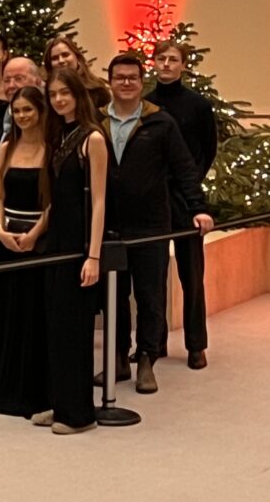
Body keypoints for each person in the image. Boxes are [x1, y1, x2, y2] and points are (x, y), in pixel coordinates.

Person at [100, 53, 209, 394]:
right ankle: (118, 358)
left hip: (151, 225)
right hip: (110, 226)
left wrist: (198, 207)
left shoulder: (160, 122)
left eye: (132, 77)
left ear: (140, 80)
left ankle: (147, 358)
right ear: (110, 82)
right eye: (120, 77)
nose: (126, 83)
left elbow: (185, 168)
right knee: (114, 297)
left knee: (150, 296)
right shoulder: (96, 122)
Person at [33, 69, 107, 434]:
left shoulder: (93, 138)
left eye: (65, 93)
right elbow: (55, 199)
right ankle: (60, 401)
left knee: (75, 329)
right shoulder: (59, 135)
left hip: (79, 247)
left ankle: (79, 414)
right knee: (55, 326)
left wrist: (93, 255)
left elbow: (100, 201)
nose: (59, 99)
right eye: (53, 94)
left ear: (78, 94)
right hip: (56, 243)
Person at [145, 40, 218, 369]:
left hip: (187, 199)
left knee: (192, 274)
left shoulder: (198, 105)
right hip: (155, 198)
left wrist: (192, 186)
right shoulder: (146, 104)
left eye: (173, 59)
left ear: (183, 65)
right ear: (154, 62)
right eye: (161, 58)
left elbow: (208, 149)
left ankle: (196, 345)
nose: (166, 64)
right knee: (154, 273)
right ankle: (155, 342)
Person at [0, 85, 50, 418]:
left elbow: (54, 200)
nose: (22, 116)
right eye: (17, 111)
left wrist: (35, 233)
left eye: (28, 110)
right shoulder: (6, 145)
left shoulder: (51, 147)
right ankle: (4, 390)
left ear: (40, 111)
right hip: (7, 239)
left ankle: (32, 394)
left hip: (39, 242)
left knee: (33, 315)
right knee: (6, 313)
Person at [44, 36, 109, 108]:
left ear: (77, 58)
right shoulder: (47, 95)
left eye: (65, 55)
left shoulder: (97, 89)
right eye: (55, 58)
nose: (61, 60)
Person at [0, 56, 44, 135]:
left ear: (38, 82)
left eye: (18, 79)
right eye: (7, 80)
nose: (11, 85)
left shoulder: (52, 115)